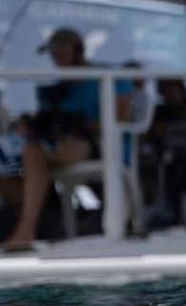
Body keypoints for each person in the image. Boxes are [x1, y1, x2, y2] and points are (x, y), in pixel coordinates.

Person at [0, 28, 132, 249]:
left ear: (78, 51)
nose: (56, 59)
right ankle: (35, 223)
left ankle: (27, 229)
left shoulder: (107, 77)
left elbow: (119, 117)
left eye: (61, 53)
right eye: (53, 54)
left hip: (94, 144)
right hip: (54, 145)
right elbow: (51, 123)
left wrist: (82, 123)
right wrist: (34, 125)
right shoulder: (62, 86)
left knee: (34, 153)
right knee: (17, 161)